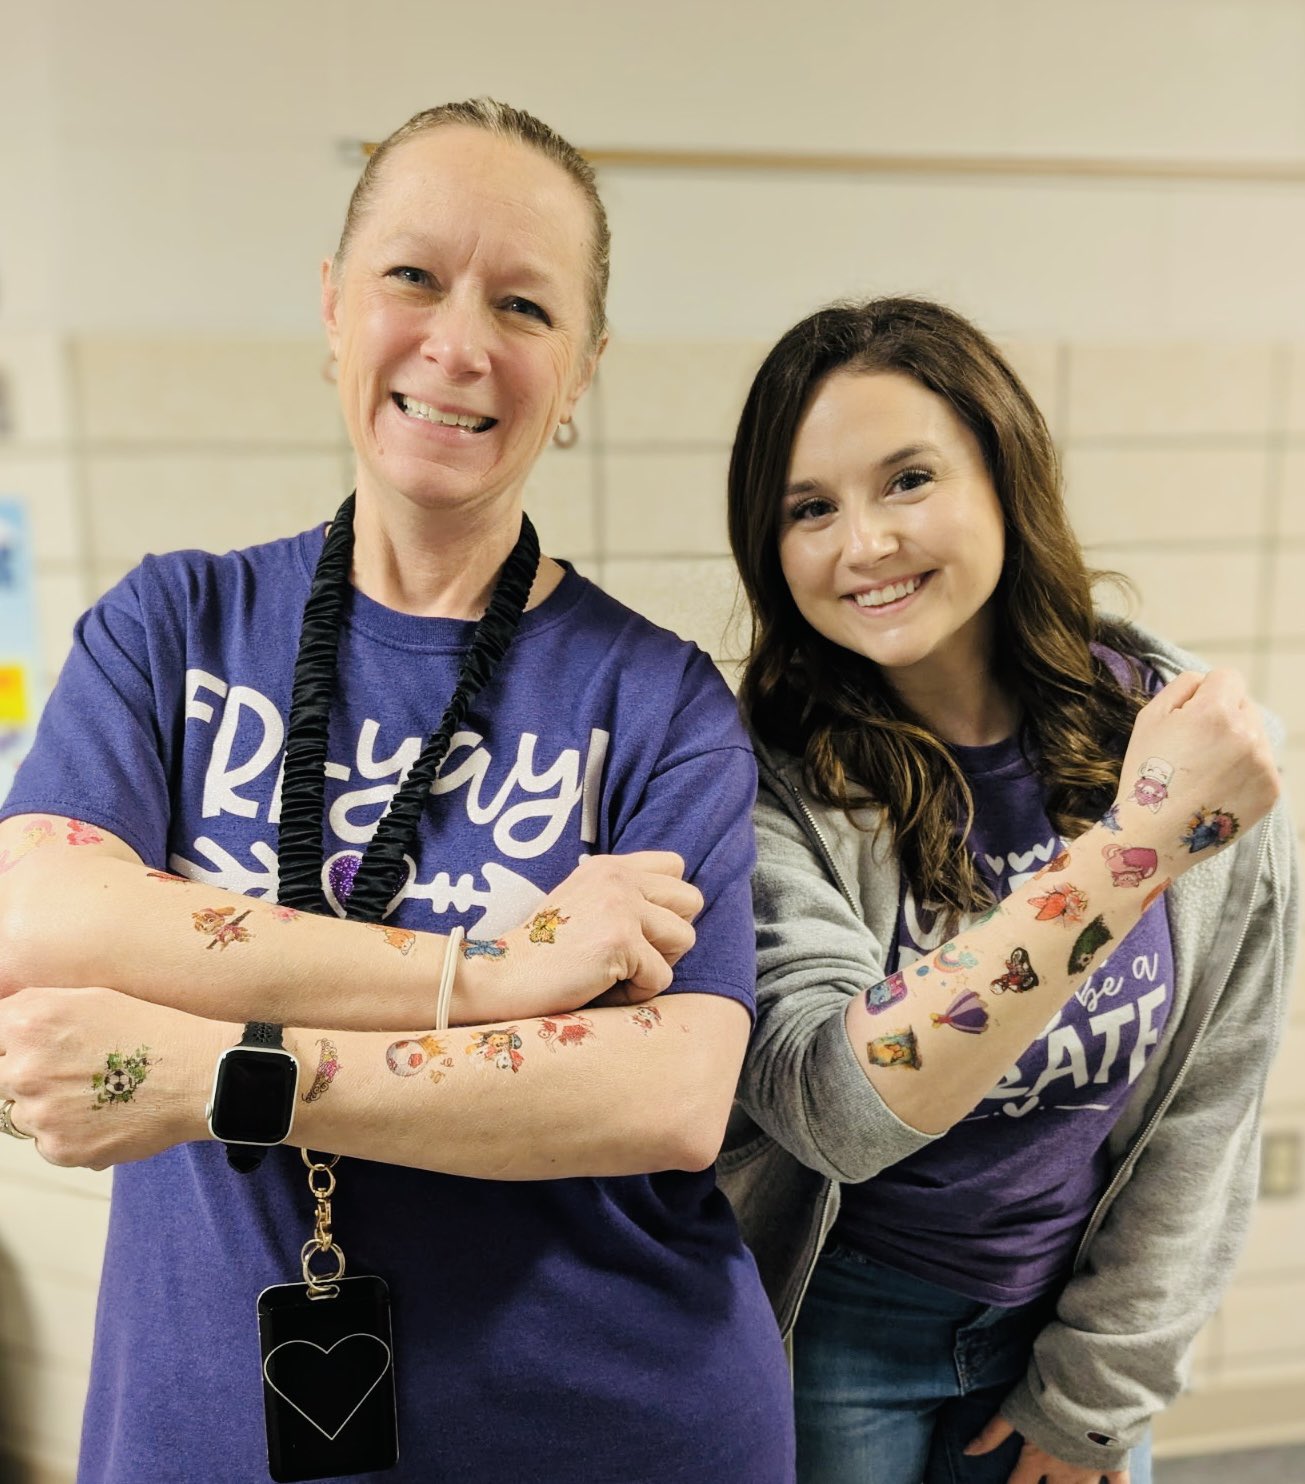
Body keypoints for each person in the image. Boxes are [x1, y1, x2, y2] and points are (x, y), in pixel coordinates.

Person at [0, 100, 794, 1483]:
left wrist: (219, 1077)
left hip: (602, 1424)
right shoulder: (172, 629)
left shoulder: (657, 698)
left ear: (583, 368)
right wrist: (487, 976)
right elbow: (40, 920)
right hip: (211, 1427)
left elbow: (665, 1091)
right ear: (332, 306)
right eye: (413, 275)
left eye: (525, 305)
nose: (459, 343)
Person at [717, 296, 1295, 1484]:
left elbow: (1210, 1104)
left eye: (908, 479)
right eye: (810, 508)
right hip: (843, 1328)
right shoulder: (760, 779)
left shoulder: (1177, 726)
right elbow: (840, 1110)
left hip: (1078, 1317)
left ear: (1002, 471)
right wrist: (1138, 841)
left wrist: (1096, 1396)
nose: (865, 541)